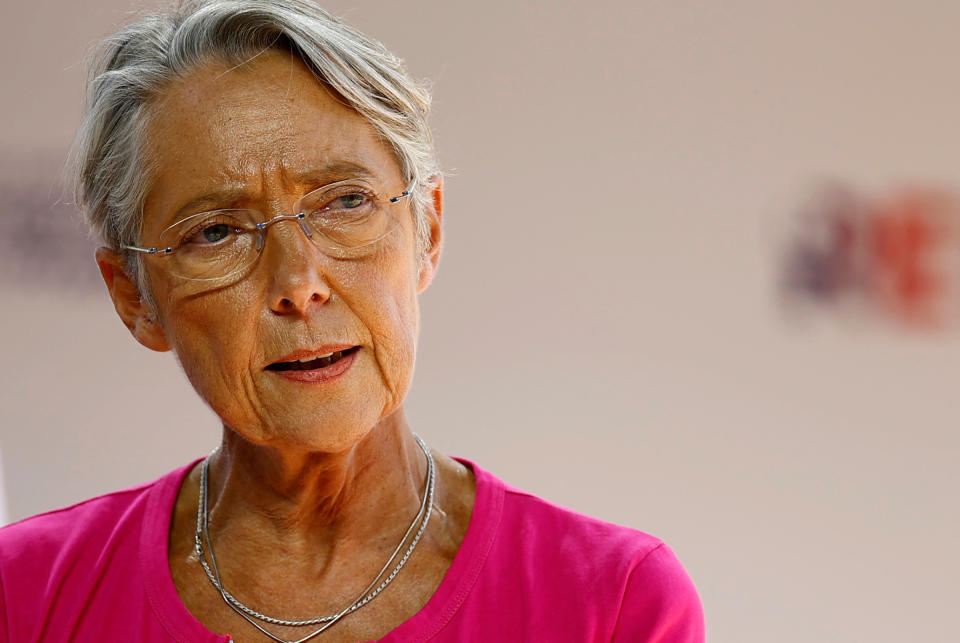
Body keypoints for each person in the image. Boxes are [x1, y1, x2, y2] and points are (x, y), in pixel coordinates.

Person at [0, 1, 705, 641]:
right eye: (216, 232)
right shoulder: (28, 596)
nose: (299, 284)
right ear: (134, 296)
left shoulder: (610, 604)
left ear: (426, 228)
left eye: (344, 203)